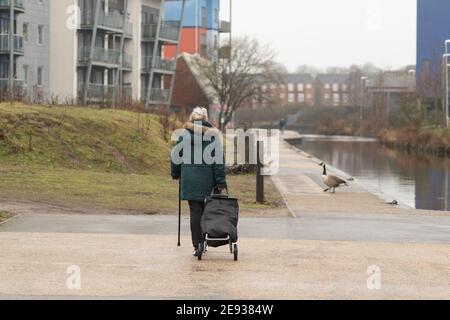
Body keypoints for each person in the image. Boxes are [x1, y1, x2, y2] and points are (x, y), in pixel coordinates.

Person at [171, 107, 227, 257]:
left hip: (189, 179)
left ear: (191, 118)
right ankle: (205, 241)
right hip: (208, 181)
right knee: (206, 211)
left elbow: (176, 156)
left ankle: (197, 245)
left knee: (195, 212)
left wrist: (175, 174)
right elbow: (219, 162)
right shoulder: (213, 136)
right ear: (206, 119)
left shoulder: (183, 135)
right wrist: (221, 183)